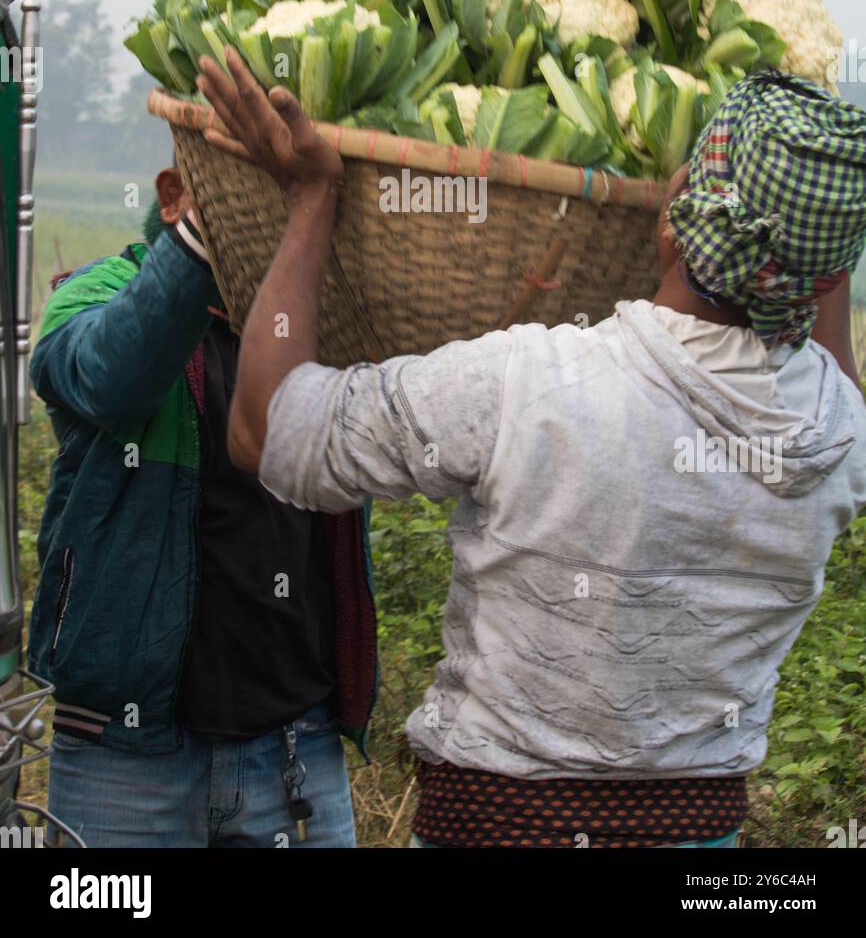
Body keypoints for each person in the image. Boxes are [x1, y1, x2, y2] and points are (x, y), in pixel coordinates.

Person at [198, 50, 866, 850]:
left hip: (504, 830)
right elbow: (824, 345)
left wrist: (311, 197)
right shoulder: (839, 435)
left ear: (679, 200)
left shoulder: (535, 379)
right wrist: (816, 248)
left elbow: (266, 429)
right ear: (829, 281)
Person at [28, 165, 376, 848]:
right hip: (123, 764)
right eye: (243, 194)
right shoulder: (94, 295)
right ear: (172, 195)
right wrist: (198, 242)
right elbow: (108, 381)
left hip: (293, 756)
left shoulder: (317, 324)